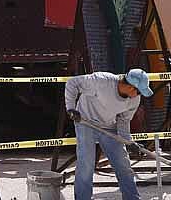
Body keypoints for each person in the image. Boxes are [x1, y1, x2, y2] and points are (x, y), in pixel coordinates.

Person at [65, 69, 153, 200]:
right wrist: (71, 108)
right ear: (129, 86)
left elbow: (123, 121)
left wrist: (128, 142)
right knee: (86, 164)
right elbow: (72, 83)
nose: (138, 95)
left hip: (108, 126)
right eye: (138, 91)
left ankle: (132, 198)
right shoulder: (101, 81)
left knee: (123, 165)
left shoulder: (134, 100)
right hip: (85, 122)